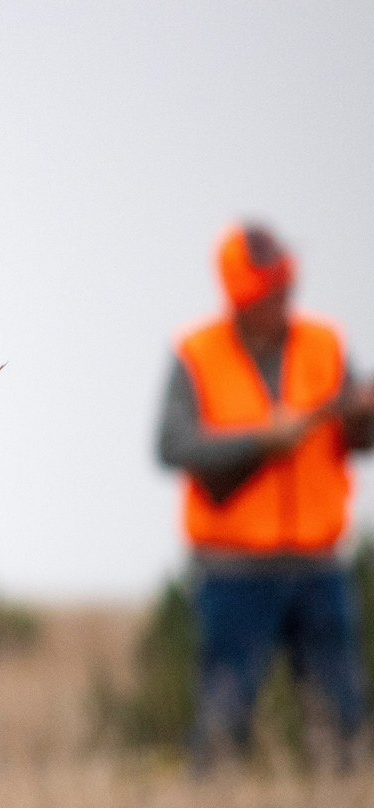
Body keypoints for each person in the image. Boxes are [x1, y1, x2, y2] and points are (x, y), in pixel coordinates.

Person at [156, 221, 374, 770]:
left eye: (284, 286)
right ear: (239, 294)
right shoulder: (196, 352)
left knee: (343, 717)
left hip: (320, 562)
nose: (281, 299)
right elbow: (172, 444)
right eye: (268, 290)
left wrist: (363, 418)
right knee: (224, 717)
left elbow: (358, 438)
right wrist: (262, 440)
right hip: (233, 569)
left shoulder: (325, 343)